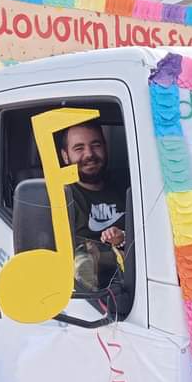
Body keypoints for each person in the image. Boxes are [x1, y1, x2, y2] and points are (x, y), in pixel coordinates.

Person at [60, 122, 128, 290]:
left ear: (105, 147)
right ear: (65, 156)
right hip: (91, 298)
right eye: (79, 148)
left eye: (96, 145)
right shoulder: (60, 197)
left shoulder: (130, 183)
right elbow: (73, 258)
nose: (89, 154)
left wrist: (123, 238)